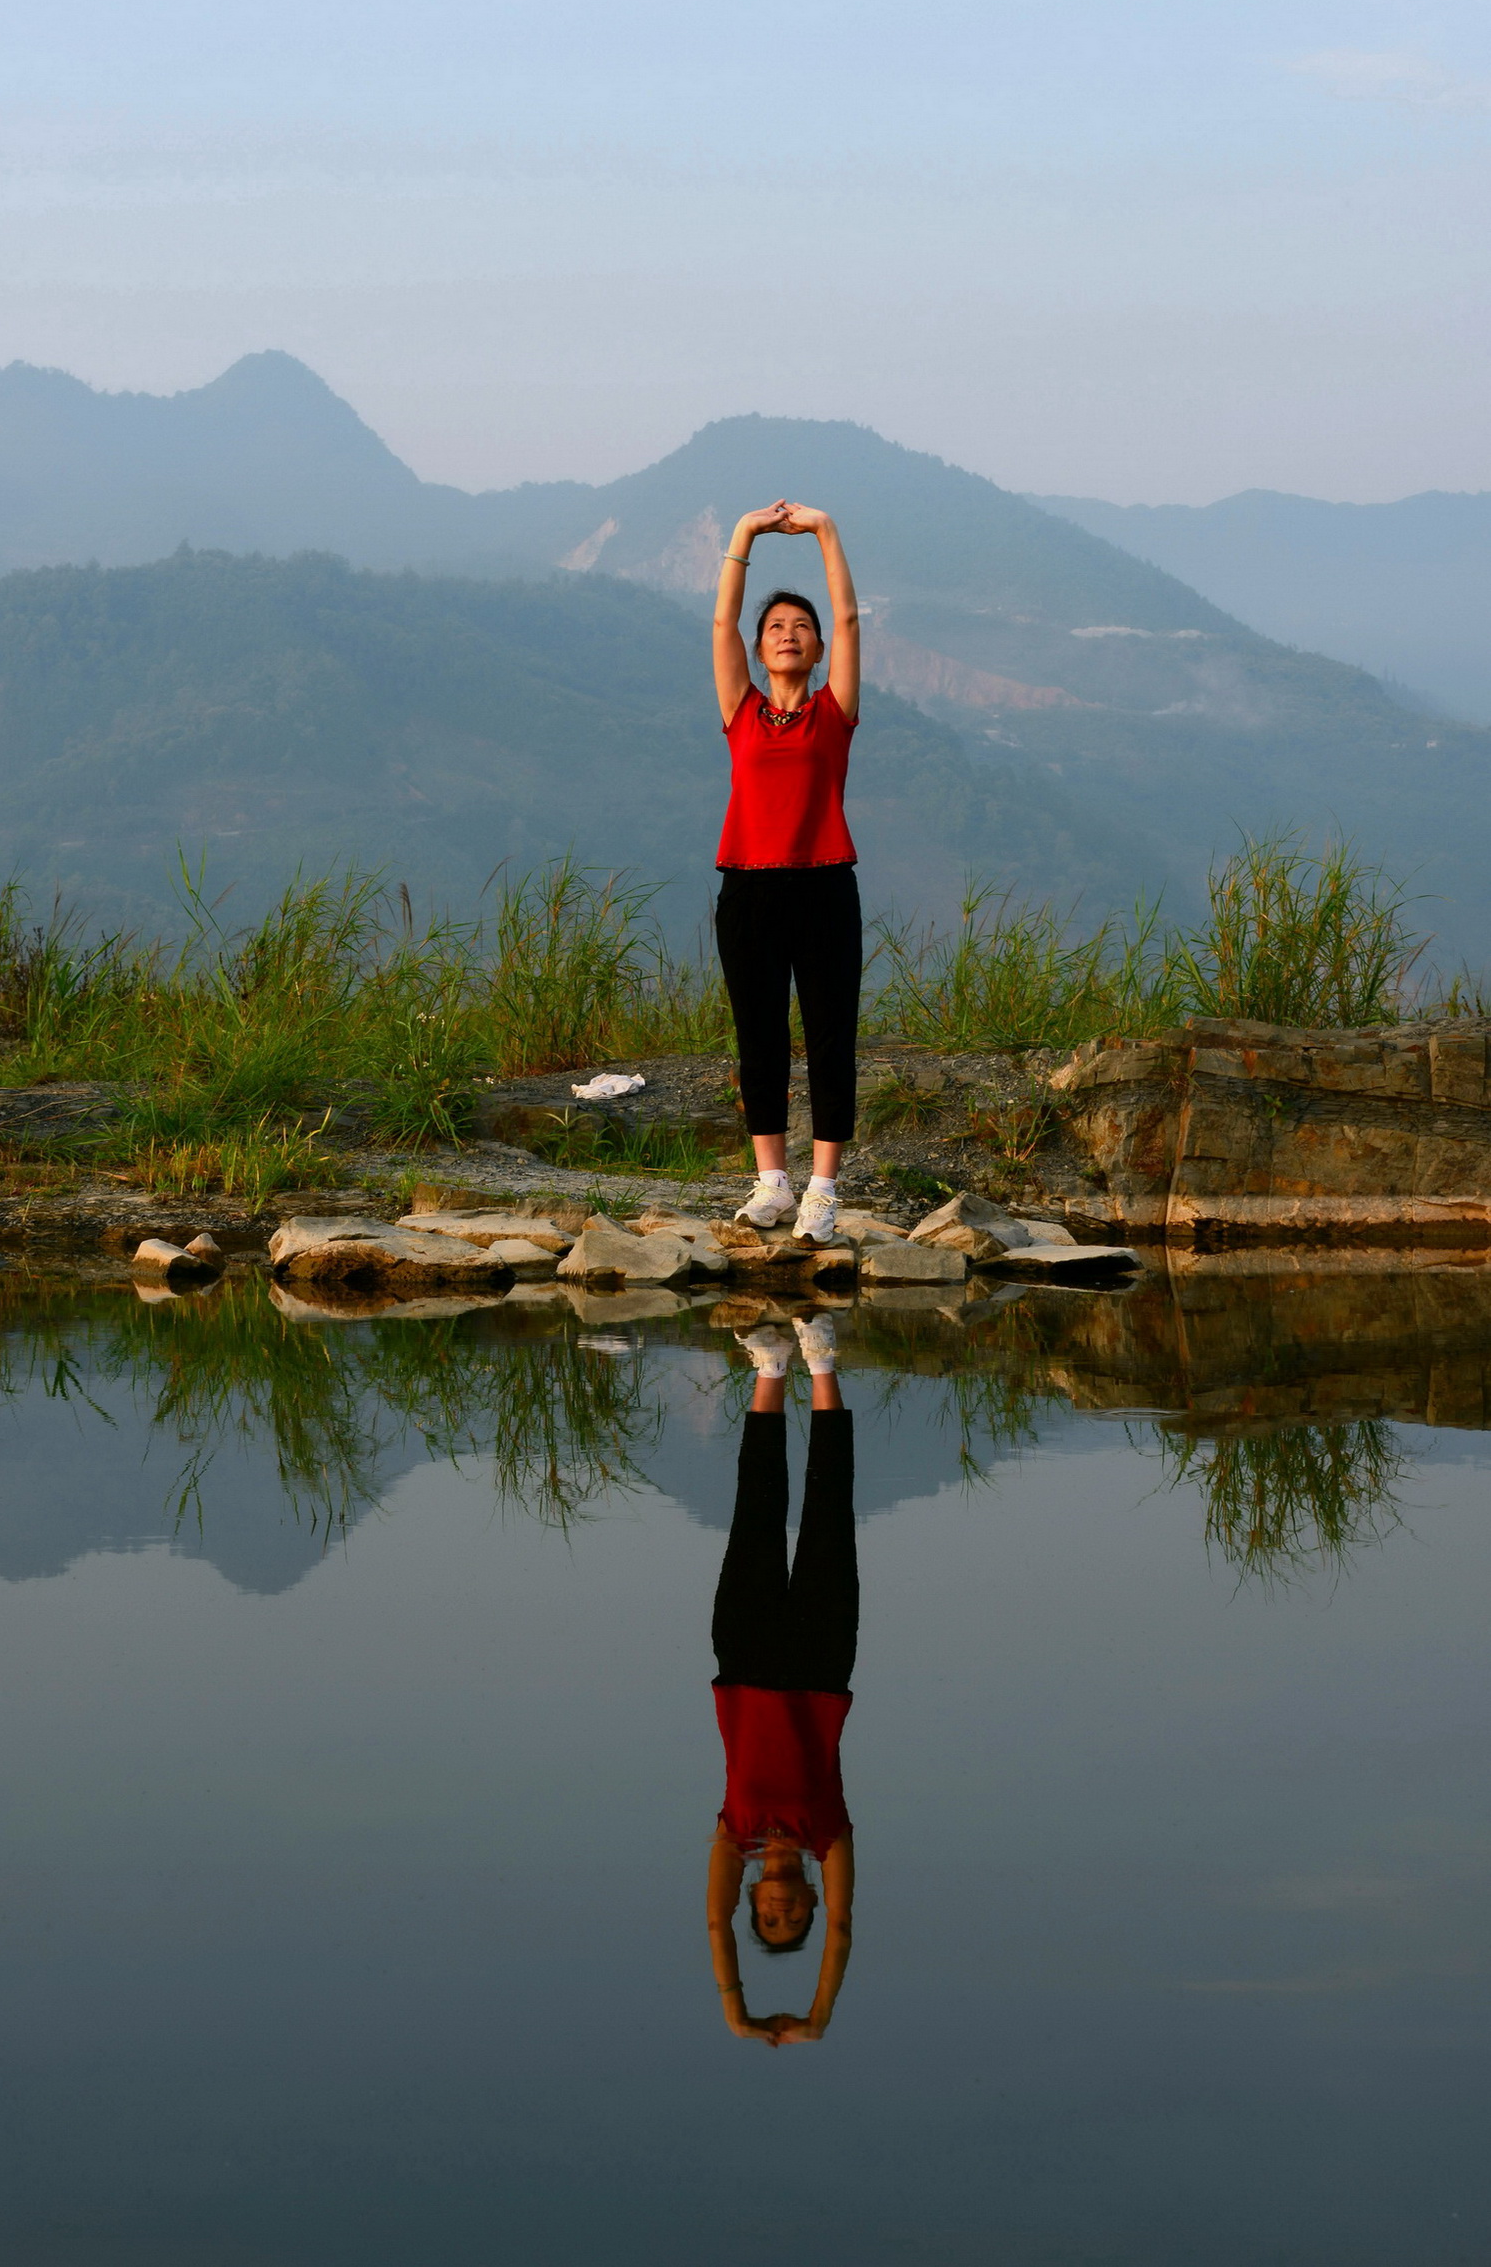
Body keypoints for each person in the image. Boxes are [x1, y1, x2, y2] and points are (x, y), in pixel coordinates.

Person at [712, 501, 862, 1246]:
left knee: (832, 1036)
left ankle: (823, 1191)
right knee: (759, 1035)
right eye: (776, 628)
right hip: (749, 887)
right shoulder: (739, 709)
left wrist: (825, 531)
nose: (789, 635)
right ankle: (771, 1181)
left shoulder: (834, 711)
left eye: (800, 627)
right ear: (760, 648)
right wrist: (745, 534)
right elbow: (720, 627)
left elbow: (850, 620)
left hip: (826, 884)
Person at [706, 1315, 856, 2047]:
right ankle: (821, 1361)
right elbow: (845, 1928)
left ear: (753, 1905)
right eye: (796, 1918)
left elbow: (711, 1923)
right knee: (829, 1516)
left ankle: (770, 1369)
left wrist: (737, 2008)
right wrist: (818, 2013)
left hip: (744, 1666)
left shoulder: (733, 1839)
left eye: (770, 1918)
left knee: (754, 1517)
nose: (785, 1911)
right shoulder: (827, 1839)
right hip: (824, 1671)